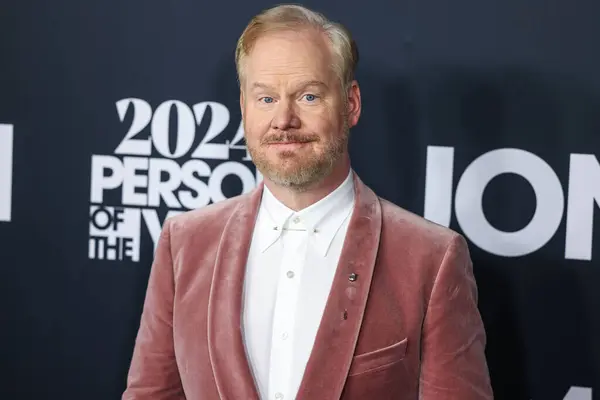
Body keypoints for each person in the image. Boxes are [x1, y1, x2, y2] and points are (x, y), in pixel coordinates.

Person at [122, 4, 493, 400]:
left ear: (350, 104)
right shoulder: (184, 243)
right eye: (265, 98)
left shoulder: (431, 259)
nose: (284, 119)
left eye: (309, 96)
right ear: (244, 107)